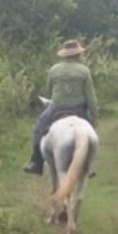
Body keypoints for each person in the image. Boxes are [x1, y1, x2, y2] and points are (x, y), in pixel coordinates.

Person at [24, 39, 99, 175]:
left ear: (64, 54)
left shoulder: (54, 70)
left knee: (38, 128)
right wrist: (94, 115)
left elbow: (49, 90)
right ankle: (88, 166)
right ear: (78, 55)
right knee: (88, 134)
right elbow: (90, 96)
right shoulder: (84, 71)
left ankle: (36, 162)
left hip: (57, 107)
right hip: (79, 109)